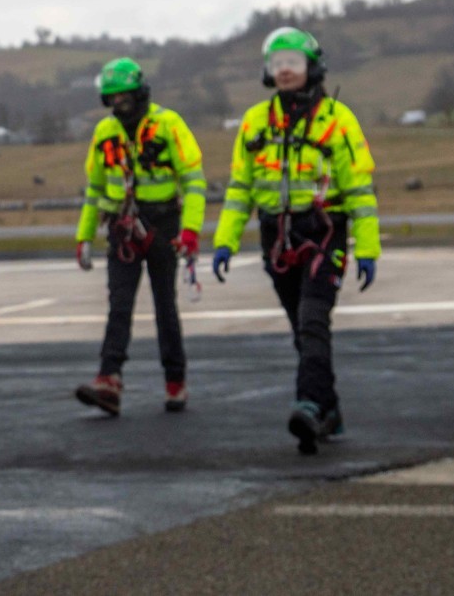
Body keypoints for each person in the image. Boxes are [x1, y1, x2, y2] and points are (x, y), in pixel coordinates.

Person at [211, 27, 378, 455]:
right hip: (277, 237)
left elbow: (359, 189)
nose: (284, 70)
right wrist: (225, 241)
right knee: (301, 330)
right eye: (276, 63)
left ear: (312, 67)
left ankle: (309, 405)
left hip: (325, 231)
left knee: (312, 319)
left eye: (293, 62)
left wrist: (368, 247)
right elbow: (239, 188)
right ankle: (330, 408)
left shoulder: (338, 121)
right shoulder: (254, 121)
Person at [73, 58, 207, 416]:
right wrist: (84, 236)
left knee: (165, 306)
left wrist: (190, 231)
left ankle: (175, 381)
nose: (120, 105)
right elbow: (95, 188)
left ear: (140, 93)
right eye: (113, 99)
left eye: (125, 97)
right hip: (121, 228)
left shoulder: (168, 125)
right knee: (119, 305)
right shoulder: (104, 134)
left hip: (162, 227)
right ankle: (108, 379)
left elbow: (194, 182)